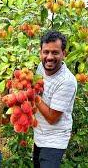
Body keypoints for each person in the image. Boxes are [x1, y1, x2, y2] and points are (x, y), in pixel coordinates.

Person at [33, 30, 77, 168]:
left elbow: (52, 118)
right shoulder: (40, 67)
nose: (49, 57)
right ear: (40, 52)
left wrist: (32, 94)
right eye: (46, 52)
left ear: (64, 54)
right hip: (39, 135)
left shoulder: (67, 81)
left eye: (55, 52)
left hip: (54, 140)